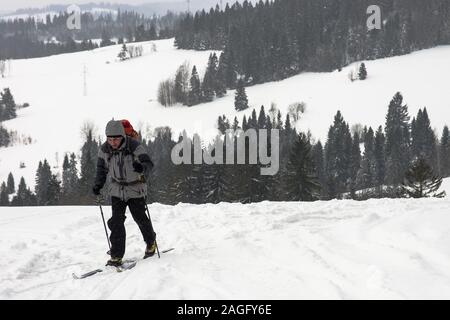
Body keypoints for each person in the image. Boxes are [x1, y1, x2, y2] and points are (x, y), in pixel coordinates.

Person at [93, 120, 156, 267]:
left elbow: (149, 164)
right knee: (116, 222)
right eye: (109, 139)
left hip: (136, 189)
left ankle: (151, 242)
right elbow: (101, 170)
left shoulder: (134, 146)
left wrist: (141, 167)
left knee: (140, 218)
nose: (112, 142)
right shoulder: (104, 150)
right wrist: (98, 185)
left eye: (115, 139)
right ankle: (116, 255)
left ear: (122, 136)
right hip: (116, 190)